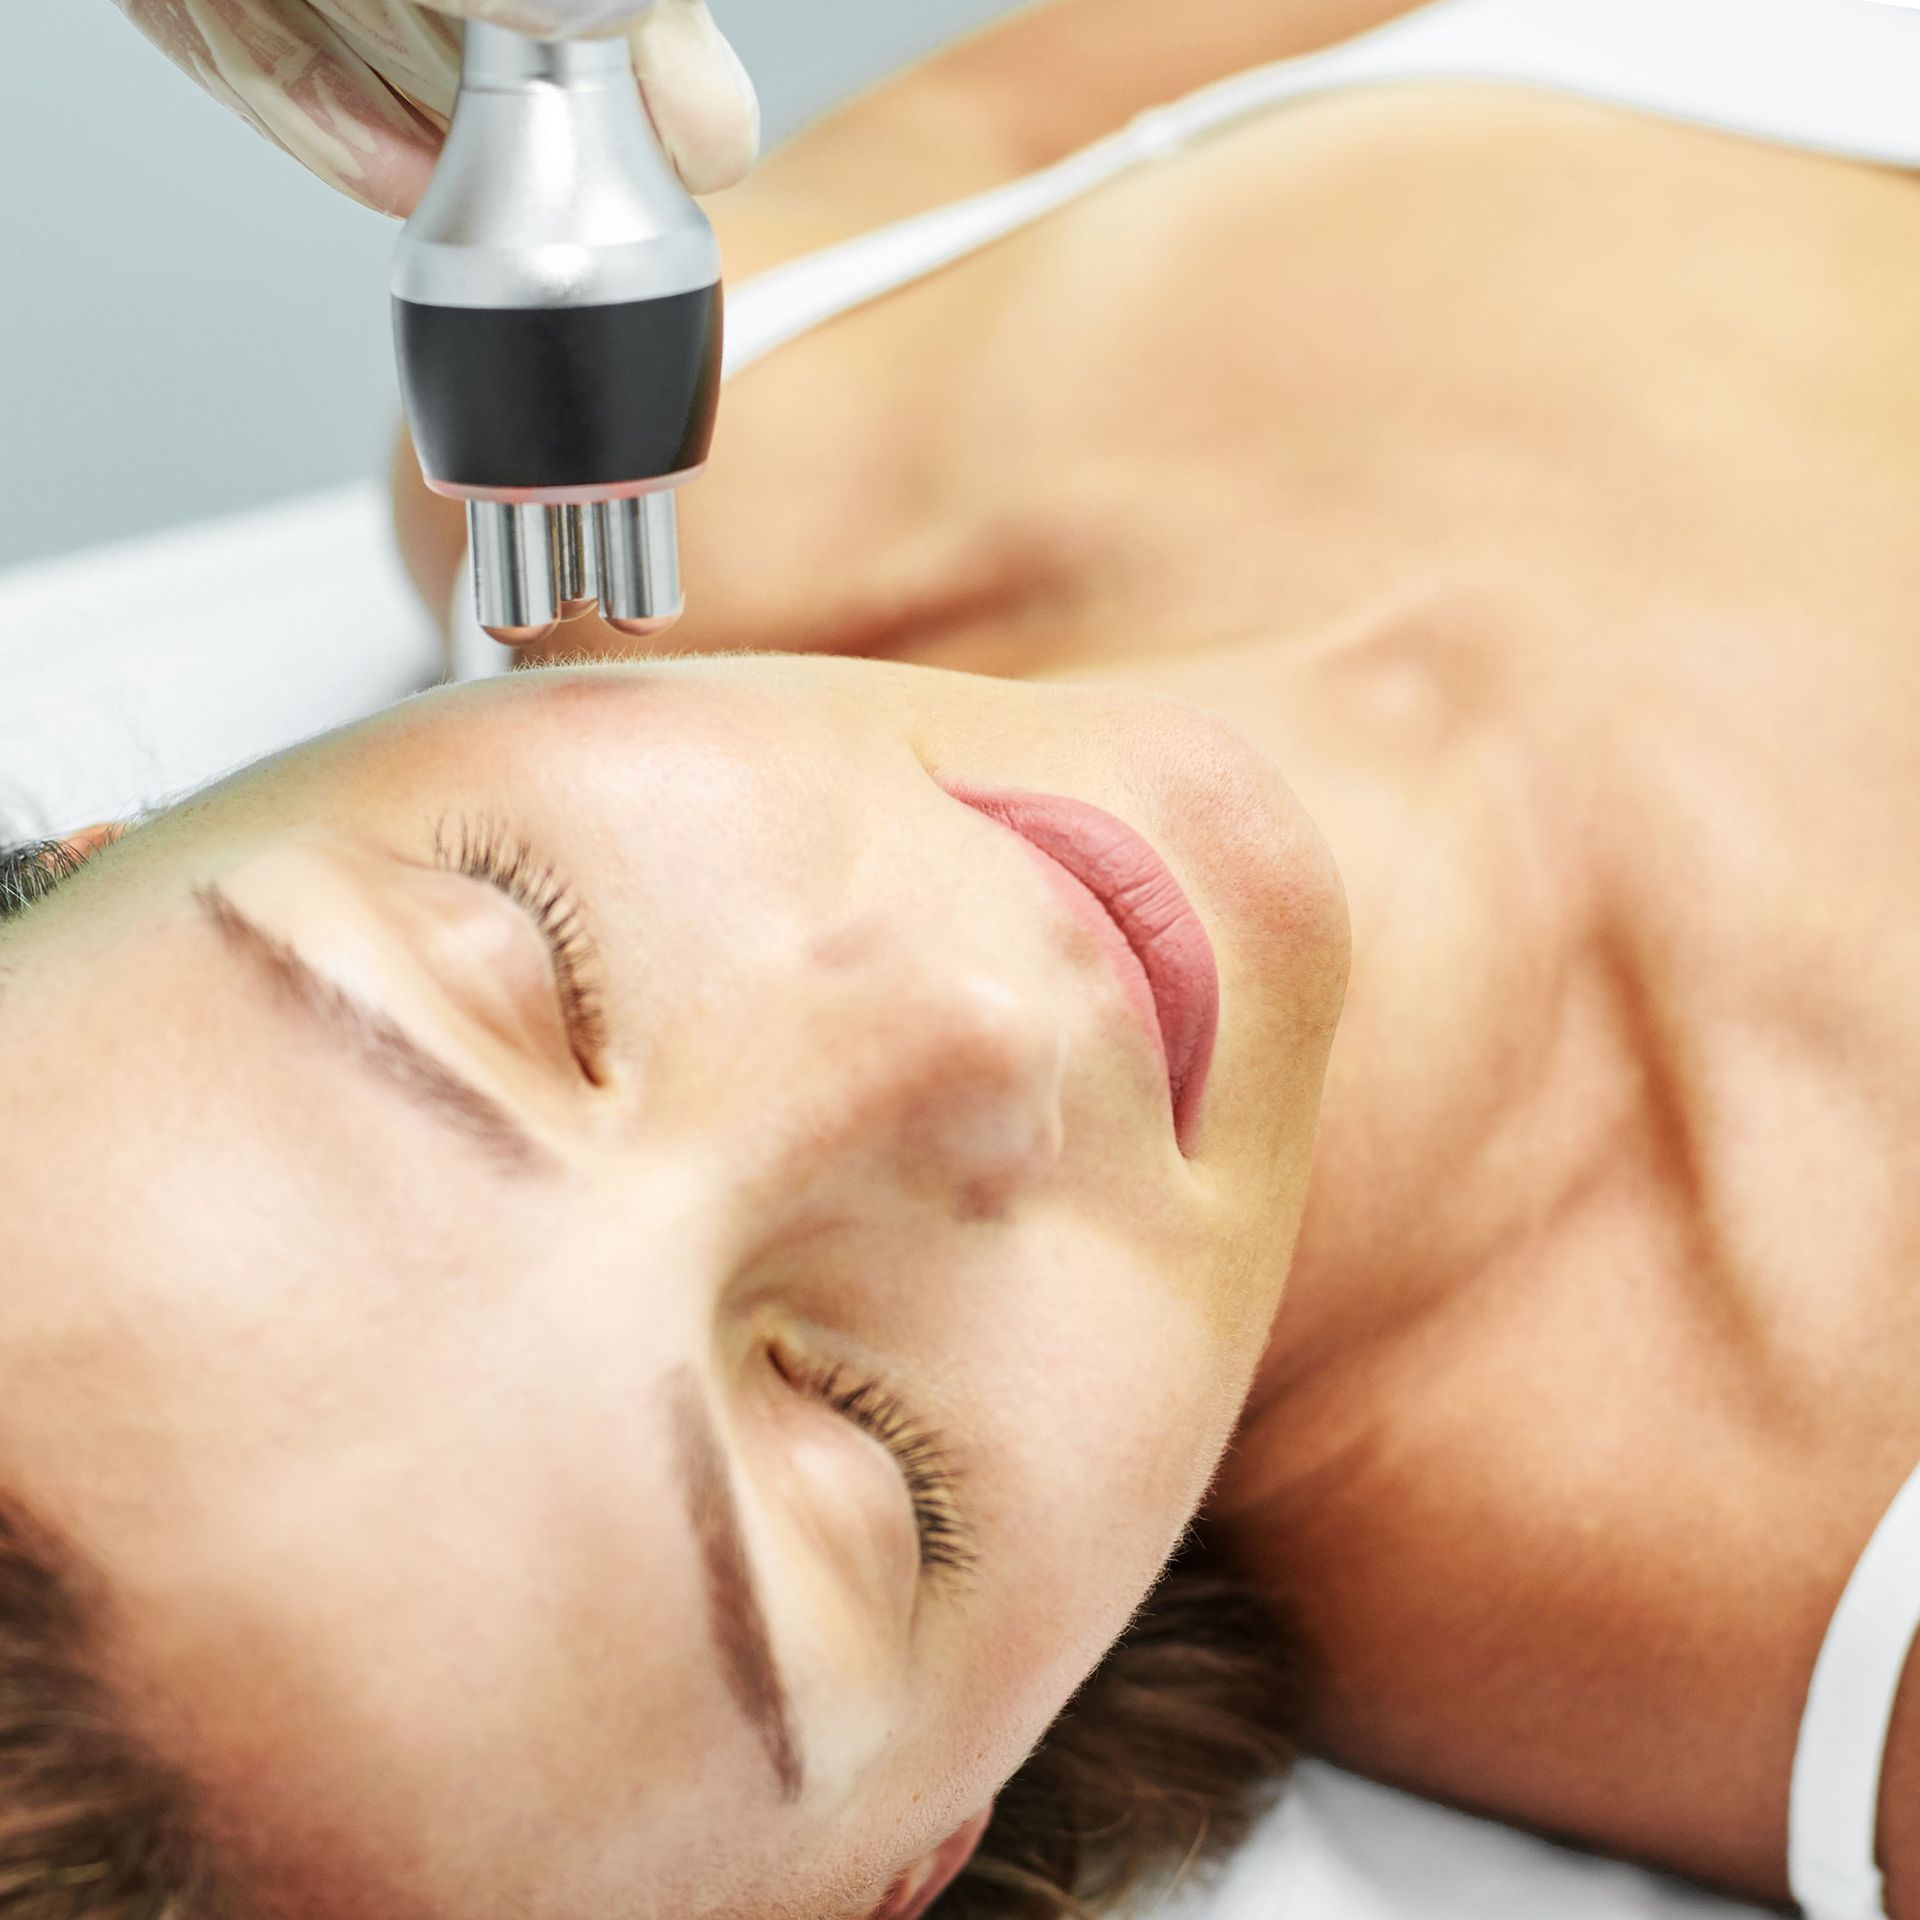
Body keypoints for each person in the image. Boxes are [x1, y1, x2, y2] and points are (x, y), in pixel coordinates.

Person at [9, 0, 1919, 1917]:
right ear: (903, 1869)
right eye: (863, 1479)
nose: (974, 1015)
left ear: (130, 830)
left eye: (518, 962)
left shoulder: (722, 366)